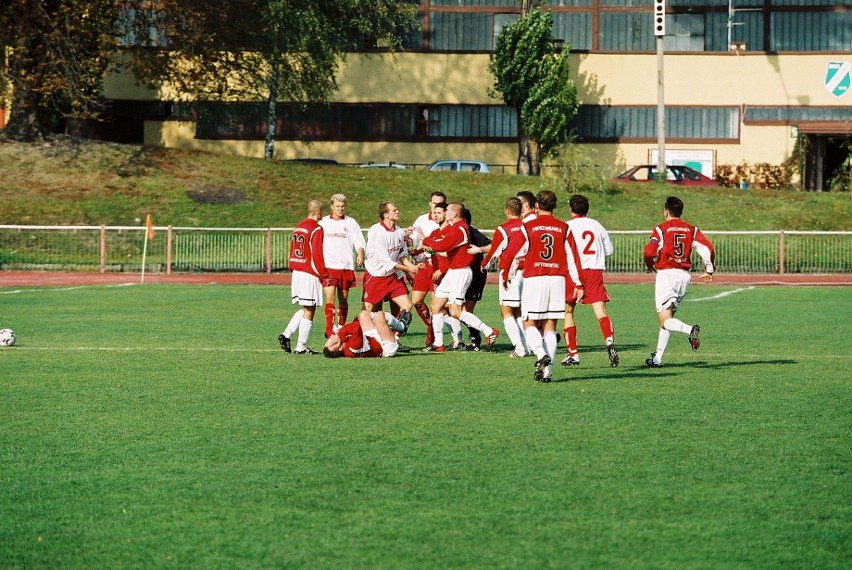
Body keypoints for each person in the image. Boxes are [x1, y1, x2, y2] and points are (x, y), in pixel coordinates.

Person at [502, 190, 583, 382]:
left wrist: (507, 273)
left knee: (528, 322)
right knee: (550, 326)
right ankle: (549, 373)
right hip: (557, 280)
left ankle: (540, 355)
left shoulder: (528, 227)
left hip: (534, 280)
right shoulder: (564, 227)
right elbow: (573, 258)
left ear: (536, 206)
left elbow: (512, 253)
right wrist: (579, 283)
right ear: (555, 206)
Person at [643, 195, 716, 367]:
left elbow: (649, 252)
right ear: (680, 212)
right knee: (668, 319)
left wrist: (649, 264)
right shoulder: (692, 229)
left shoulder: (661, 229)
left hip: (667, 275)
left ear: (666, 211)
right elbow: (707, 248)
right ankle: (657, 359)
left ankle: (690, 330)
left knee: (664, 320)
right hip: (683, 276)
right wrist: (709, 269)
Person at [418, 202, 499, 353]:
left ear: (454, 214)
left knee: (455, 311)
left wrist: (425, 238)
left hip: (461, 272)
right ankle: (438, 343)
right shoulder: (456, 227)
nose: (445, 212)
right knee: (436, 305)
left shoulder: (459, 229)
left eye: (447, 210)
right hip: (454, 271)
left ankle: (489, 331)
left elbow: (441, 246)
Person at [562, 194, 619, 368]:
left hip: (575, 271)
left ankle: (573, 354)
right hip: (595, 270)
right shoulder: (597, 225)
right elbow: (609, 250)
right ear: (587, 209)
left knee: (568, 312)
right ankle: (609, 342)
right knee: (600, 311)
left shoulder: (567, 226)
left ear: (571, 209)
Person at [475, 196, 529, 358]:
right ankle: (527, 345)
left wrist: (483, 264)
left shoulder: (503, 229)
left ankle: (519, 347)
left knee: (506, 311)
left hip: (510, 273)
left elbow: (494, 251)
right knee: (519, 311)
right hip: (527, 274)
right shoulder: (528, 227)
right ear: (520, 211)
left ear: (506, 211)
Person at [278, 199, 328, 355]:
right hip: (309, 272)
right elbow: (317, 254)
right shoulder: (316, 229)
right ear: (318, 212)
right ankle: (301, 347)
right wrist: (324, 274)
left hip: (297, 271)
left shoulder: (299, 226)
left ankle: (286, 335)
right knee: (310, 309)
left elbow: (292, 248)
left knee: (306, 307)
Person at [363, 201, 417, 332]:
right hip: (376, 276)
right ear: (386, 215)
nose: (397, 212)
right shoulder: (378, 232)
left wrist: (413, 267)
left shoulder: (399, 231)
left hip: (391, 276)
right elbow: (387, 262)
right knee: (368, 312)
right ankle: (360, 336)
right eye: (394, 210)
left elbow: (402, 255)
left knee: (407, 305)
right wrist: (409, 269)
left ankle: (395, 338)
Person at [319, 193, 366, 338]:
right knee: (330, 297)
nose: (340, 209)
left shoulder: (351, 222)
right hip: (329, 266)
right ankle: (329, 329)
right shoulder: (323, 222)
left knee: (343, 298)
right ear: (332, 206)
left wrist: (359, 253)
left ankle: (340, 327)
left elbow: (359, 240)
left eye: (343, 206)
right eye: (338, 206)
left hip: (345, 266)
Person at [408, 192, 447, 346]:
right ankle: (430, 325)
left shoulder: (445, 223)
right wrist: (408, 237)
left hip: (437, 264)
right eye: (434, 203)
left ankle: (436, 338)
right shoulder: (421, 219)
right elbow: (414, 240)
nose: (436, 206)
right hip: (423, 265)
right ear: (429, 203)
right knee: (416, 301)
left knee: (436, 304)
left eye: (440, 203)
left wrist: (425, 238)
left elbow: (438, 245)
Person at [460, 206, 492, 350]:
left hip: (476, 276)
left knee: (465, 311)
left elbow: (493, 246)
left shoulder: (473, 233)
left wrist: (480, 252)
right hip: (461, 276)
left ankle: (476, 339)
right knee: (453, 310)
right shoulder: (455, 233)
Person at [322, 310, 400, 358]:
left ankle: (393, 329)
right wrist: (338, 335)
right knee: (379, 315)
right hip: (384, 347)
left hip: (371, 339)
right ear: (339, 348)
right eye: (331, 344)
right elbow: (356, 327)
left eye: (328, 343)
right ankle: (401, 327)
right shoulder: (352, 349)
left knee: (363, 315)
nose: (330, 341)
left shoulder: (343, 343)